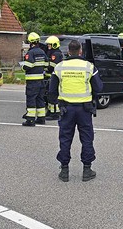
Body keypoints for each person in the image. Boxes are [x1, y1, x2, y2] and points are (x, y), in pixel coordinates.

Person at [48, 39, 103, 182]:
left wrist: (57, 103)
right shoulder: (89, 66)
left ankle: (64, 170)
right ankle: (87, 169)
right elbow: (99, 87)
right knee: (87, 139)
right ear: (80, 51)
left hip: (66, 108)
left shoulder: (59, 67)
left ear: (68, 51)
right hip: (84, 109)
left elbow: (51, 90)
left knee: (65, 139)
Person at [22, 32, 49, 126]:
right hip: (41, 80)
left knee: (31, 99)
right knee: (40, 99)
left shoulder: (31, 53)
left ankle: (30, 119)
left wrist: (23, 66)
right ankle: (41, 118)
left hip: (32, 81)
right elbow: (46, 65)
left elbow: (28, 66)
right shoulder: (42, 52)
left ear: (30, 42)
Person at [44, 36, 65, 120]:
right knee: (49, 96)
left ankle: (55, 113)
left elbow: (53, 66)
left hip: (54, 77)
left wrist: (45, 66)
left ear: (55, 45)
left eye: (50, 45)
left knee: (53, 96)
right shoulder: (53, 53)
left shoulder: (55, 54)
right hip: (51, 77)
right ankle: (50, 111)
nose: (48, 46)